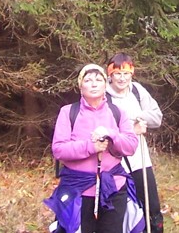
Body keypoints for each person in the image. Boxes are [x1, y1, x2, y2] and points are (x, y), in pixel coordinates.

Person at [45, 64, 144, 233]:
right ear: (80, 86)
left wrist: (111, 135)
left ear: (105, 85)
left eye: (98, 80)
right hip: (77, 190)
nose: (93, 84)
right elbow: (59, 149)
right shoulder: (68, 112)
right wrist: (90, 147)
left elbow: (130, 146)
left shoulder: (118, 112)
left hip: (113, 187)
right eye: (88, 80)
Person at [106, 53, 165, 233]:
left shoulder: (137, 91)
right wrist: (132, 128)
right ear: (110, 75)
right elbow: (106, 133)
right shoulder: (103, 96)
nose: (122, 78)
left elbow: (157, 117)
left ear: (132, 73)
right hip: (115, 165)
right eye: (117, 73)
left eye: (126, 73)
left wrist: (138, 116)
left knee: (151, 209)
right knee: (120, 212)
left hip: (140, 162)